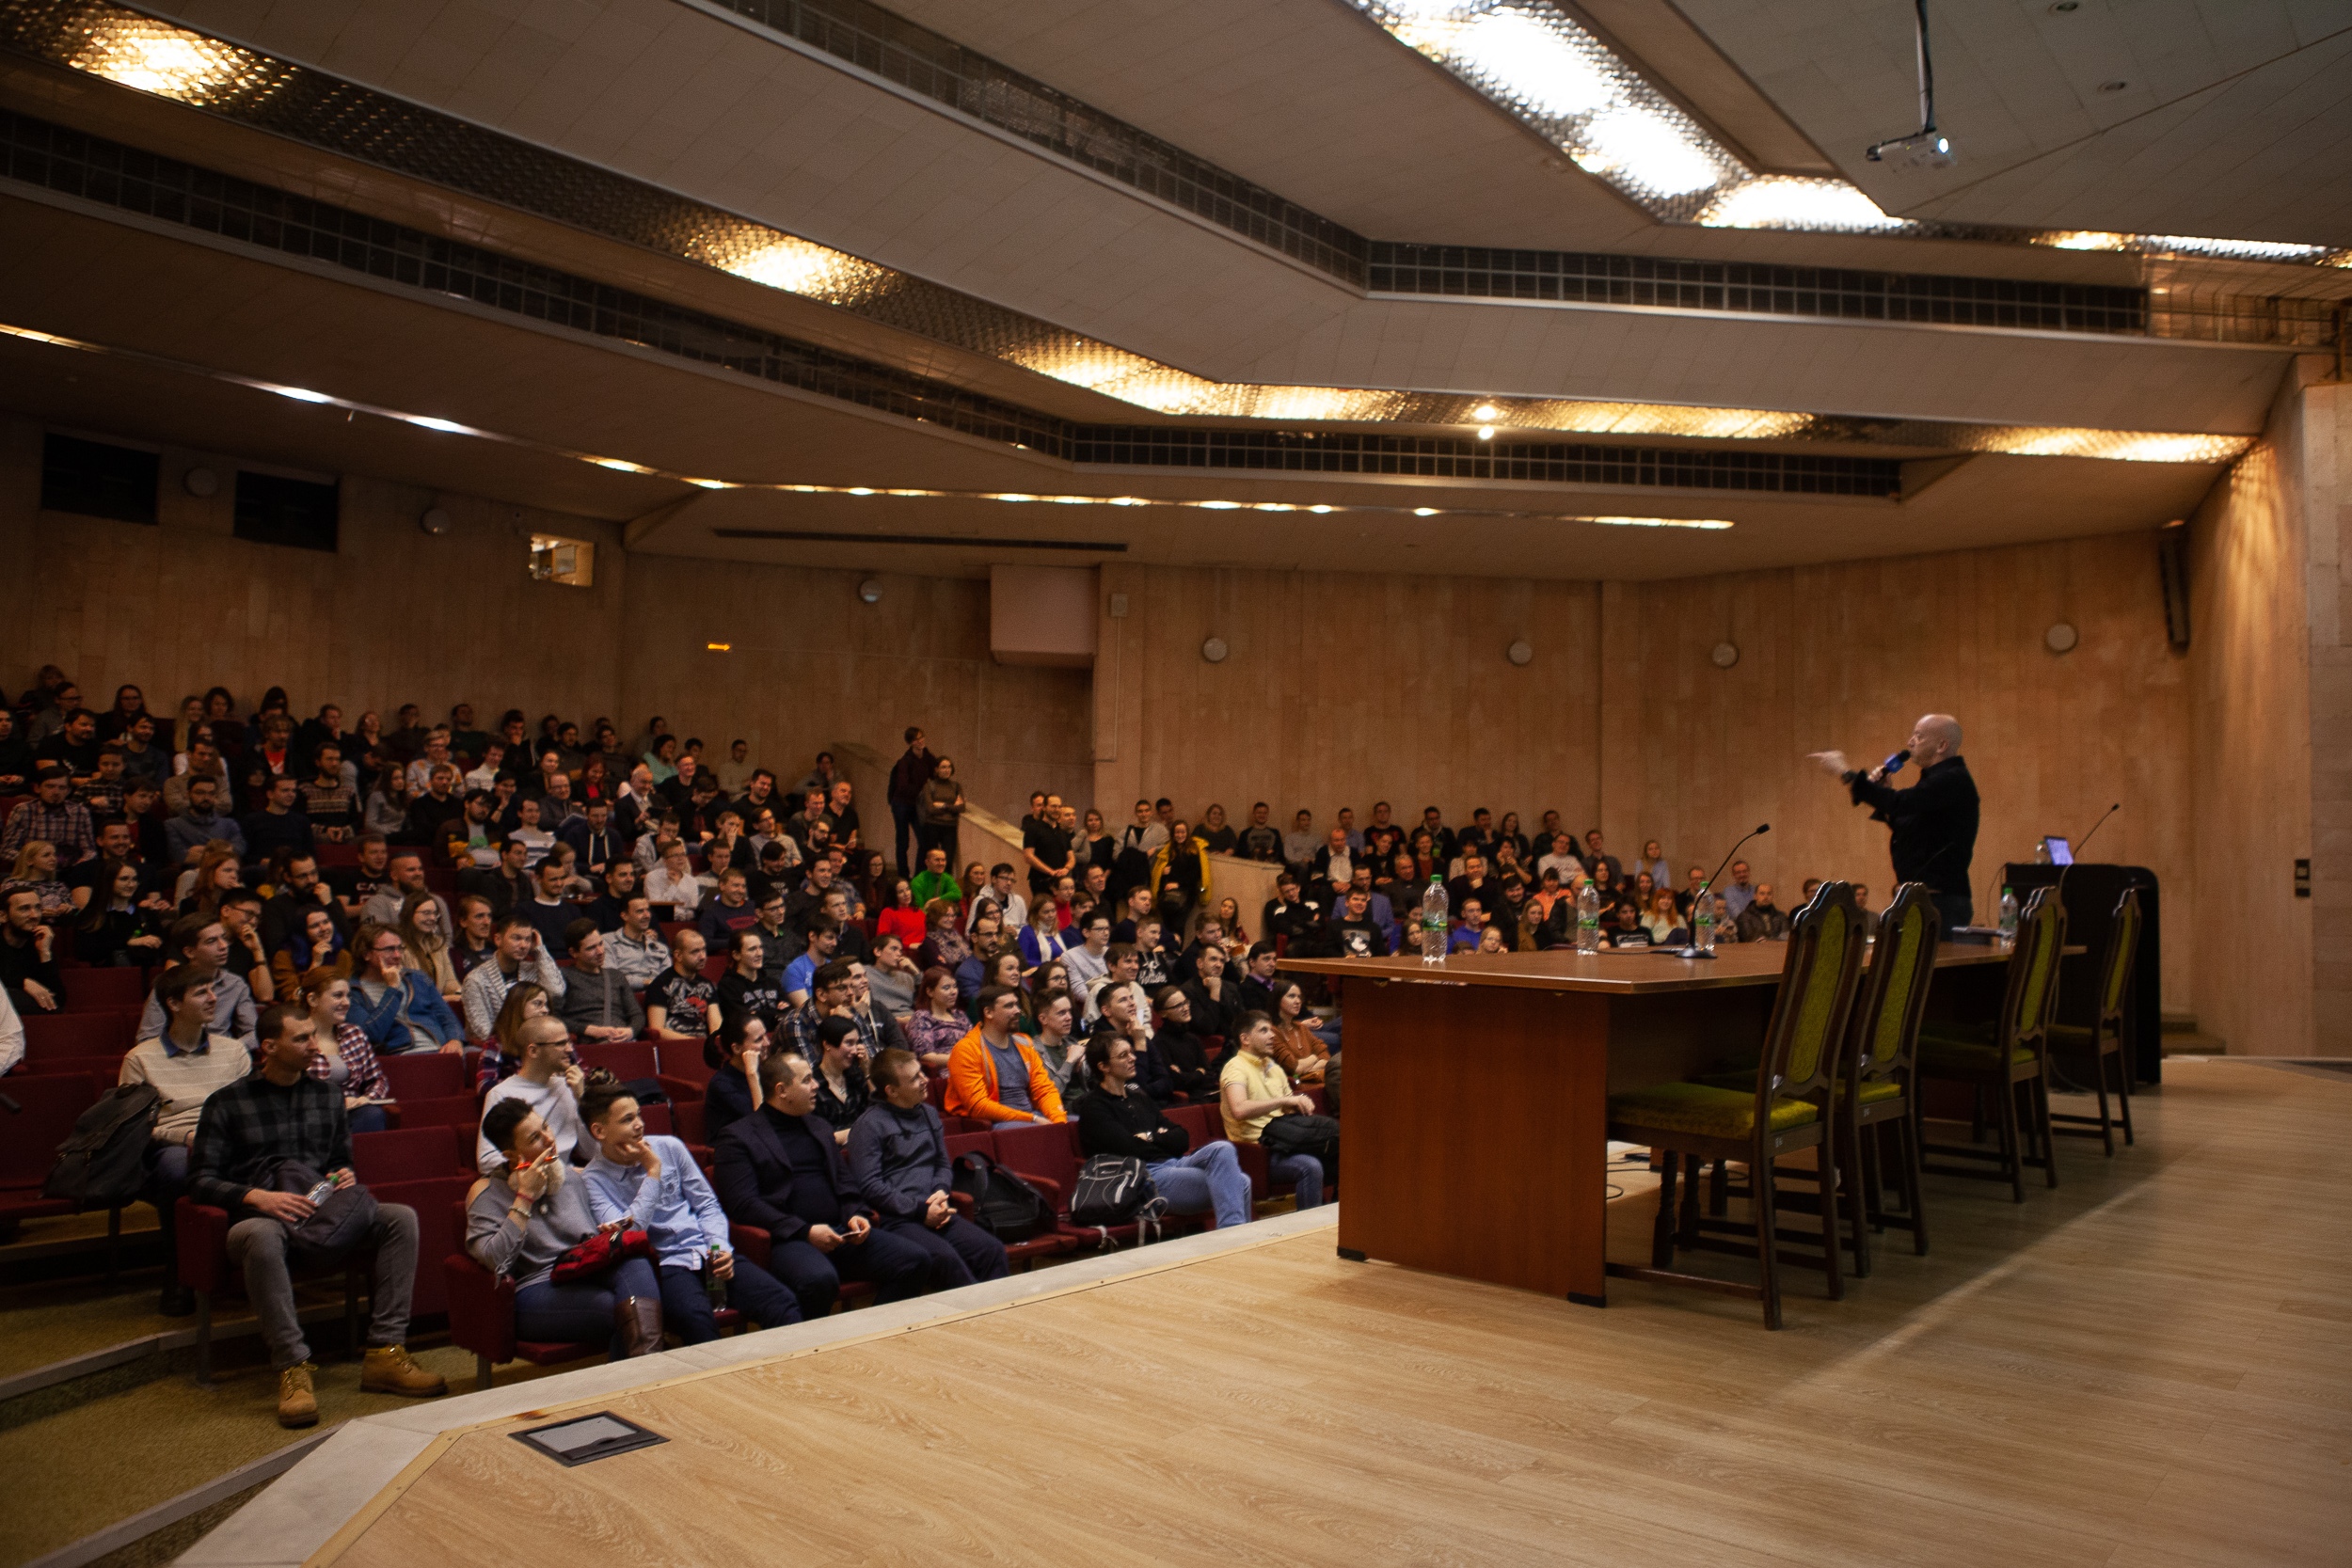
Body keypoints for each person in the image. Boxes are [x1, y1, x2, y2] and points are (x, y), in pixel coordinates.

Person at [189, 1003, 449, 1426]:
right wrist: (257, 1197)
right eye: (301, 1038)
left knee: (399, 1217)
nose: (315, 1045)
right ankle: (292, 1367)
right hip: (259, 1217)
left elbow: (339, 1160)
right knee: (261, 1234)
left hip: (319, 1210)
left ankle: (385, 1352)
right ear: (269, 1047)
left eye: (314, 1035)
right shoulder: (228, 1103)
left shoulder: (327, 1096)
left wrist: (342, 1175)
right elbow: (199, 1180)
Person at [712, 1049, 932, 1321]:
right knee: (819, 1279)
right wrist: (804, 1231)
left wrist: (855, 1213)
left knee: (914, 1260)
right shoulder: (738, 1137)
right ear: (781, 1090)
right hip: (787, 1238)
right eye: (806, 1080)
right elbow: (743, 1204)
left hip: (841, 1232)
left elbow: (845, 1182)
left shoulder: (818, 1127)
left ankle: (869, 1334)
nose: (816, 1085)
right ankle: (809, 1350)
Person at [579, 1078, 803, 1342]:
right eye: (627, 1120)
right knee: (696, 1321)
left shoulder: (670, 1147)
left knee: (782, 1303)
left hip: (706, 1252)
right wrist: (653, 1173)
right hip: (664, 1265)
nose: (640, 1125)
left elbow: (707, 1205)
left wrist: (720, 1248)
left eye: (638, 1115)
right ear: (599, 1131)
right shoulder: (593, 1179)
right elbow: (629, 1235)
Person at [470, 1099, 664, 1364]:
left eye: (546, 1127)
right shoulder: (488, 1193)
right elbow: (494, 1260)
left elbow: (587, 1238)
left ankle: (645, 1379)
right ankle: (648, 1382)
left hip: (582, 1269)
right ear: (511, 1155)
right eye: (535, 1138)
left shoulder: (569, 1178)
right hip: (536, 1290)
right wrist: (524, 1197)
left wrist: (603, 1233)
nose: (550, 1140)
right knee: (622, 1309)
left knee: (635, 1265)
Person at [119, 965, 250, 1314]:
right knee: (178, 1167)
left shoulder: (234, 1051)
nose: (213, 998)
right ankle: (179, 1271)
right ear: (174, 1004)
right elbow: (136, 1127)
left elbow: (249, 1112)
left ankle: (245, 1263)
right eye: (201, 993)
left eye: (213, 990)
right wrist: (185, 1135)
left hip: (228, 1141)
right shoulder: (140, 1058)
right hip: (171, 1146)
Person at [847, 1049, 1010, 1289]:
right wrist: (921, 1211)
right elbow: (871, 1186)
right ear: (891, 1091)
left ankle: (1000, 1317)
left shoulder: (928, 1113)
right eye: (914, 1078)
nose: (925, 1080)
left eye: (922, 1073)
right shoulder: (868, 1126)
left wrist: (941, 1191)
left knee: (991, 1250)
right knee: (945, 1259)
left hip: (937, 1208)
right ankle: (975, 1321)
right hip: (899, 1219)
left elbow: (942, 1163)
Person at [1811, 713, 1980, 932]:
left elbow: (1899, 803)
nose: (1910, 742)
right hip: (1925, 898)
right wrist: (1884, 793)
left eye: (1919, 736)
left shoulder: (1953, 779)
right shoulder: (1937, 781)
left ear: (1942, 745)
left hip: (1941, 901)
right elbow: (1908, 825)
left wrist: (1845, 773)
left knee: (1933, 964)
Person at [1075, 1029, 1254, 1228]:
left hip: (1174, 1163)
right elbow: (1129, 1149)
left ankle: (1234, 1235)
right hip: (1143, 1177)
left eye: (1131, 1052)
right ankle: (1236, 1238)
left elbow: (1181, 1138)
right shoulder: (1095, 1107)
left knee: (1223, 1149)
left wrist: (1150, 1137)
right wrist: (1162, 1139)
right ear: (1104, 1066)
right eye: (1123, 1055)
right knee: (1241, 1182)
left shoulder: (1137, 1096)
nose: (1133, 1058)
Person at [1218, 1010, 1330, 1210]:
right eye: (1263, 1031)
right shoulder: (1235, 1067)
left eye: (1271, 1030)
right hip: (1256, 1152)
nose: (1272, 1036)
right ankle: (1306, 1228)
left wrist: (1299, 1104)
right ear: (1245, 1038)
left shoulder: (1273, 1067)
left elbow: (1286, 1106)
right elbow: (1239, 1109)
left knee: (1334, 1150)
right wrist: (1281, 1101)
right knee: (1310, 1166)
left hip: (1283, 1141)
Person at [476, 1014, 585, 1173]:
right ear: (533, 1051)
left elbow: (590, 1151)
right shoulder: (501, 1093)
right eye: (561, 1044)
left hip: (570, 1179)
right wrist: (550, 1168)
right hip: (530, 1179)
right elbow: (486, 1161)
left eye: (569, 1042)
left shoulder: (570, 1086)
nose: (570, 1049)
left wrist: (582, 1099)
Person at [945, 984, 1063, 1126]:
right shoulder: (966, 1050)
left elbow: (1044, 1090)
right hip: (1000, 1122)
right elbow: (979, 1106)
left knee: (1079, 1125)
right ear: (988, 1013)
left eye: (1017, 1005)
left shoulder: (1024, 1042)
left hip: (1032, 1116)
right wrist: (1032, 1119)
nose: (1018, 1011)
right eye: (1009, 1006)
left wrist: (1059, 1122)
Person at [342, 919, 464, 1053]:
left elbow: (447, 1017)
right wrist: (393, 989)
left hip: (440, 1049)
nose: (397, 955)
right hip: (402, 1057)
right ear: (366, 954)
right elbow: (372, 1035)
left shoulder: (417, 978)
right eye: (389, 949)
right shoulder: (351, 991)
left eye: (400, 948)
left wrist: (455, 1040)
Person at [300, 967, 391, 1134]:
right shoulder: (296, 1038)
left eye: (348, 996)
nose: (346, 1002)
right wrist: (338, 1103)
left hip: (353, 1113)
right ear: (313, 999)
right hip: (310, 1117)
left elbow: (378, 1080)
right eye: (338, 996)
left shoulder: (353, 1034)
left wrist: (366, 1099)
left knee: (372, 1115)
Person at [461, 912, 566, 1040]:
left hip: (535, 1041)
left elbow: (556, 991)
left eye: (528, 939)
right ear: (498, 940)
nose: (523, 945)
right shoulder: (476, 979)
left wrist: (540, 950)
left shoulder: (533, 970)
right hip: (498, 1047)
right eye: (516, 938)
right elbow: (482, 1030)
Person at [644, 927, 717, 1043]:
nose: (702, 956)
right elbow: (656, 1029)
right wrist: (693, 1043)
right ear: (678, 955)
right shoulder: (660, 984)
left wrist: (711, 1045)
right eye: (695, 952)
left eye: (703, 950)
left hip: (704, 1047)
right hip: (675, 1047)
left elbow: (716, 1026)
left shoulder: (707, 985)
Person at [807, 1014, 871, 1144]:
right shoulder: (812, 1084)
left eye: (857, 1043)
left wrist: (867, 1072)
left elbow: (879, 1111)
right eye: (849, 1043)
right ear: (827, 1044)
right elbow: (814, 1136)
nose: (855, 1050)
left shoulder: (857, 1076)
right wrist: (858, 1132)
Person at [886, 726, 931, 878]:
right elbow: (902, 786)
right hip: (902, 804)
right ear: (911, 742)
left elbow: (936, 771)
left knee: (924, 840)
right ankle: (903, 875)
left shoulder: (927, 756)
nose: (920, 741)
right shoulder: (905, 761)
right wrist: (921, 792)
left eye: (921, 737)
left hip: (916, 805)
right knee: (903, 841)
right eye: (917, 739)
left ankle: (918, 875)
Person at [916, 754, 963, 869]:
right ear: (936, 769)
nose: (946, 770)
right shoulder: (929, 785)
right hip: (932, 826)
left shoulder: (956, 786)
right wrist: (952, 807)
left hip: (951, 826)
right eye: (943, 767)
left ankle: (944, 886)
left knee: (948, 861)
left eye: (949, 767)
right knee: (932, 860)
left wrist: (943, 805)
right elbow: (930, 809)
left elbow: (961, 808)